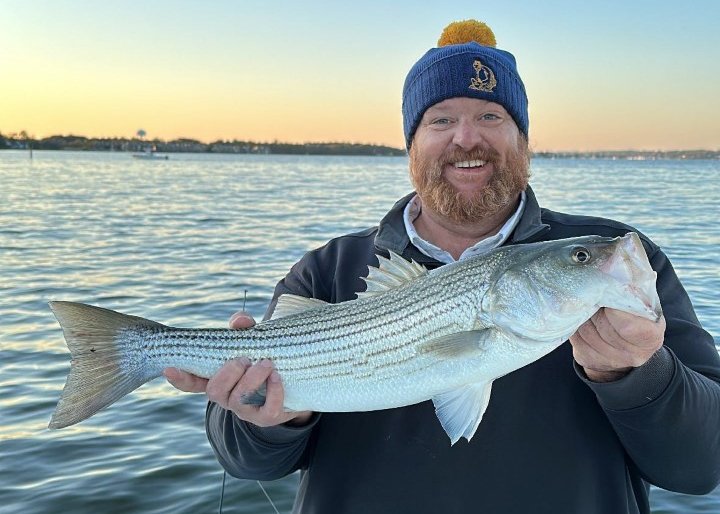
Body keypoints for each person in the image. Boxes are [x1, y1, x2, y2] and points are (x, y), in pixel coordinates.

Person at [164, 20, 720, 514]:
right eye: (441, 118)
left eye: (490, 115)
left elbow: (702, 468)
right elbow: (246, 462)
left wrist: (639, 376)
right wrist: (267, 418)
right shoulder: (328, 269)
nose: (466, 136)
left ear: (523, 140)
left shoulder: (619, 259)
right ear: (411, 146)